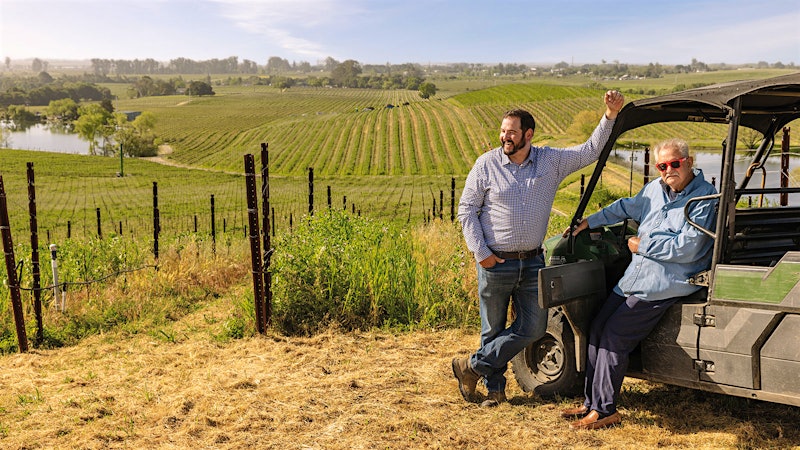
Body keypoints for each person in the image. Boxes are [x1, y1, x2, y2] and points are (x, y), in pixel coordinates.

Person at [452, 90, 625, 407]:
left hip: (533, 263)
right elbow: (466, 210)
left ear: (528, 134)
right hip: (496, 262)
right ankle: (495, 390)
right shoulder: (486, 165)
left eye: (512, 132)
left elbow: (590, 151)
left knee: (532, 327)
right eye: (503, 131)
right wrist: (481, 253)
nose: (505, 137)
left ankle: (469, 366)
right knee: (493, 330)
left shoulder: (550, 162)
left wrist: (610, 116)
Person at [561, 138, 717, 429]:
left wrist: (643, 245)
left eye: (675, 163)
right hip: (635, 279)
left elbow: (688, 248)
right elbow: (624, 207)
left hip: (665, 283)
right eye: (662, 166)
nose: (668, 170)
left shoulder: (704, 198)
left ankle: (606, 411)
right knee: (596, 328)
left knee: (615, 336)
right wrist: (589, 222)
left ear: (689, 162)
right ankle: (591, 402)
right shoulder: (654, 190)